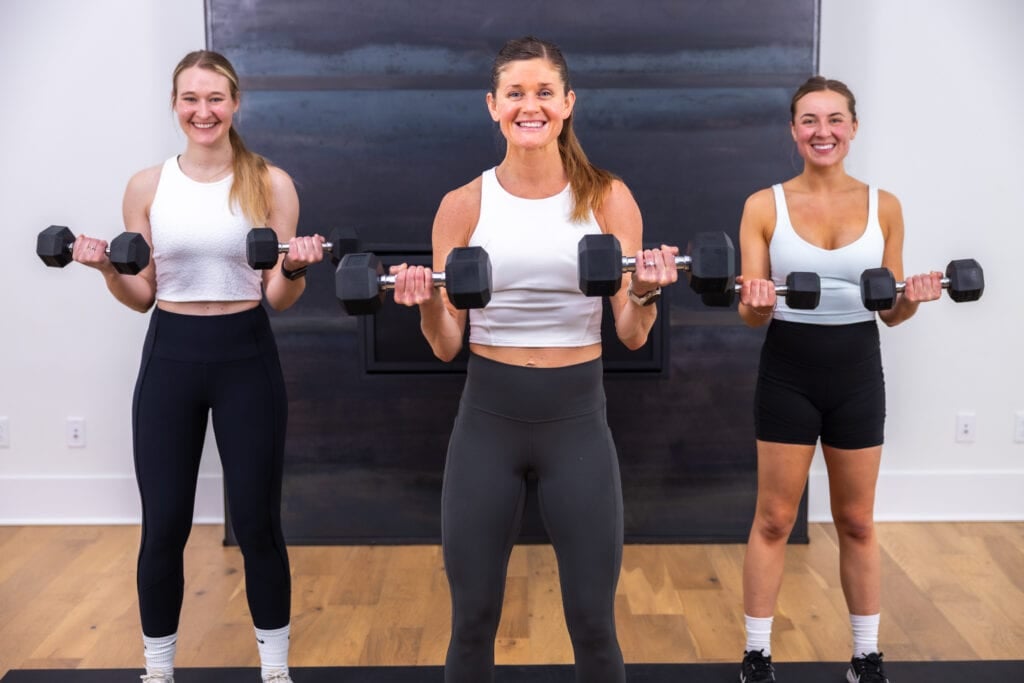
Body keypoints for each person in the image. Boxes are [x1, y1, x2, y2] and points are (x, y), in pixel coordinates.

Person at [391, 36, 679, 683]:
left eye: (544, 92)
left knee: (593, 622)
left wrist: (647, 289)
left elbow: (631, 333)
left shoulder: (607, 198)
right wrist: (423, 303)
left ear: (568, 103)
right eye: (516, 93)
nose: (531, 105)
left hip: (577, 421)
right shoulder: (463, 205)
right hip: (487, 421)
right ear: (493, 106)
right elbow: (445, 344)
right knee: (471, 620)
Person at [72, 50, 324, 683]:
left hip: (246, 354)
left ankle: (275, 670)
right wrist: (108, 267)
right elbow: (142, 294)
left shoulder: (271, 183)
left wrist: (292, 267)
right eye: (191, 99)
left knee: (257, 520)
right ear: (175, 105)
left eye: (215, 99)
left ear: (235, 103)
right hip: (171, 355)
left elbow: (277, 297)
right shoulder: (147, 187)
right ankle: (157, 671)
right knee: (164, 524)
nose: (203, 111)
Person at [734, 76, 943, 683]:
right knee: (774, 518)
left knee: (857, 520)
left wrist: (918, 298)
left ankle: (865, 657)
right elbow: (751, 314)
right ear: (792, 131)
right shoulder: (762, 205)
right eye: (809, 121)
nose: (822, 132)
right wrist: (759, 299)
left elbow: (891, 309)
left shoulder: (886, 206)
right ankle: (757, 655)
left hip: (856, 369)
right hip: (788, 369)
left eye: (834, 120)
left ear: (853, 128)